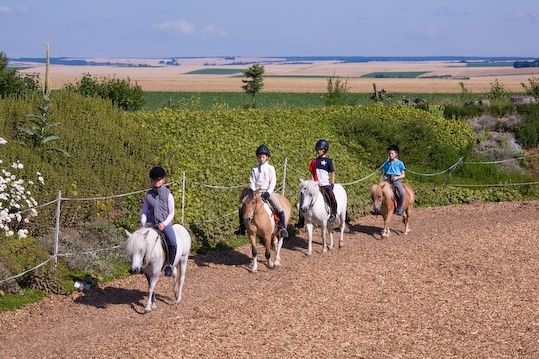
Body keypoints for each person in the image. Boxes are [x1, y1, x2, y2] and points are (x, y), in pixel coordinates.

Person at [238, 144, 288, 238]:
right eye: (259, 157)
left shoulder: (271, 168)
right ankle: (242, 227)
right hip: (255, 193)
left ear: (267, 157)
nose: (261, 158)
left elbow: (273, 182)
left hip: (267, 192)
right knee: (242, 206)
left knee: (279, 208)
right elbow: (252, 181)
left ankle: (282, 227)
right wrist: (253, 192)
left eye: (263, 157)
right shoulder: (254, 169)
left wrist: (268, 193)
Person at [141, 166, 177, 277]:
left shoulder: (168, 195)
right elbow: (144, 211)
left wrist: (164, 224)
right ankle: (138, 264)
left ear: (163, 180)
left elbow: (172, 213)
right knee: (138, 240)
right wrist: (143, 223)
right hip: (151, 224)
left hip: (164, 223)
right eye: (154, 180)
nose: (156, 182)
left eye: (158, 179)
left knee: (172, 242)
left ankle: (170, 265)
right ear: (151, 180)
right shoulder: (148, 195)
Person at [310, 139, 337, 223]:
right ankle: (302, 218)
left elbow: (332, 173)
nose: (318, 151)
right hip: (316, 185)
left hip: (325, 185)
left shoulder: (328, 161)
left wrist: (332, 183)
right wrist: (312, 182)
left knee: (332, 197)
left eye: (319, 149)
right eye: (317, 149)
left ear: (324, 150)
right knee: (305, 197)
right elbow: (311, 173)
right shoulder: (314, 161)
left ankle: (333, 213)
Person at [382, 144, 406, 216]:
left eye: (392, 153)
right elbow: (385, 174)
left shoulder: (400, 163)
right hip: (388, 180)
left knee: (401, 192)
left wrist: (397, 177)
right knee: (378, 191)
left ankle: (400, 208)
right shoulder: (386, 163)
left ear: (396, 154)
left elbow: (403, 175)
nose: (390, 155)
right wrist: (385, 177)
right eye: (389, 153)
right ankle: (379, 207)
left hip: (396, 180)